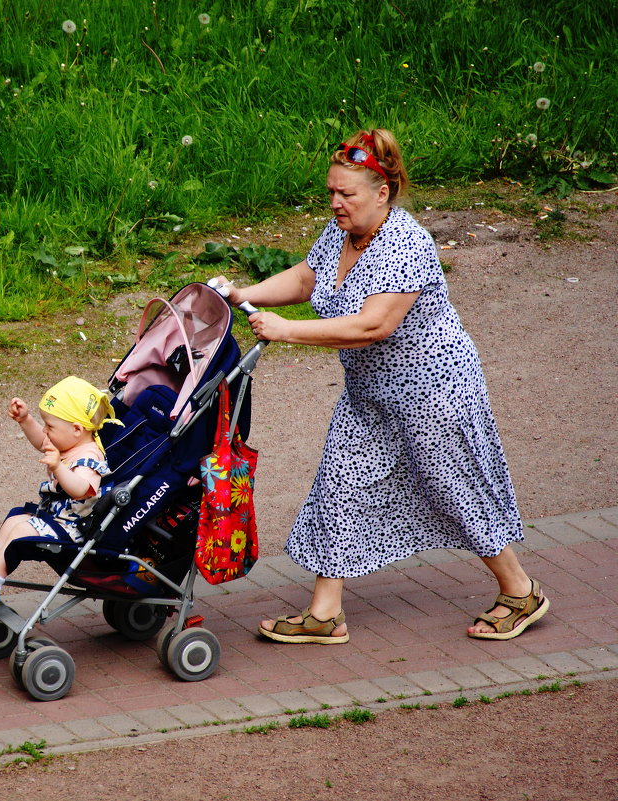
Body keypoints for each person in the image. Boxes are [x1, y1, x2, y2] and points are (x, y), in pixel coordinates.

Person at [212, 128, 548, 644]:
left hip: (434, 391)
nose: (335, 202)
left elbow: (373, 326)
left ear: (382, 193)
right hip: (370, 394)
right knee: (339, 486)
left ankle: (521, 590)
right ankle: (325, 614)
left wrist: (289, 331)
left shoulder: (405, 243)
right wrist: (242, 294)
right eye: (331, 191)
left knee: (455, 489)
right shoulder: (341, 232)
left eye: (346, 194)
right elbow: (308, 278)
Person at [0, 375, 122, 607]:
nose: (46, 432)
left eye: (50, 426)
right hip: (54, 519)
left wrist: (59, 467)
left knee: (20, 530)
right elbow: (42, 442)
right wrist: (26, 420)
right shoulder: (68, 442)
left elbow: (81, 489)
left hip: (71, 529)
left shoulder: (89, 456)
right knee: (13, 520)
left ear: (77, 429)